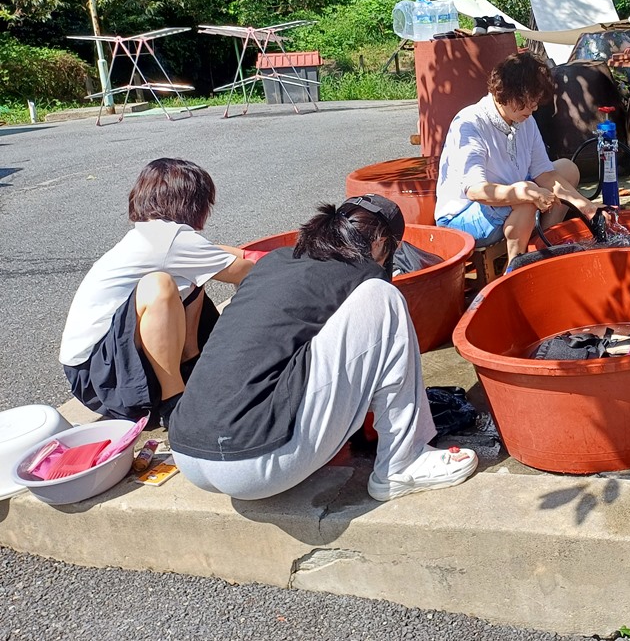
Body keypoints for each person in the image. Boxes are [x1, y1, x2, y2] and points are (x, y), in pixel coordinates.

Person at [169, 194, 477, 501]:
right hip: (253, 463)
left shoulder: (274, 262)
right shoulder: (364, 273)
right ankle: (402, 462)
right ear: (381, 243)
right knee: (383, 297)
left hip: (187, 451)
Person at [59, 158, 257, 430]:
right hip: (99, 376)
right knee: (159, 286)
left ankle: (191, 367)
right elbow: (242, 271)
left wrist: (250, 254)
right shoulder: (169, 239)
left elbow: (215, 254)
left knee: (194, 277)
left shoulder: (158, 235)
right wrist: (276, 260)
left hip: (109, 363)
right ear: (193, 202)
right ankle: (175, 403)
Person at [435, 51, 605, 263]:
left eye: (536, 101)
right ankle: (515, 263)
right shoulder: (471, 123)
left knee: (566, 169)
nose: (534, 108)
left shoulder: (524, 120)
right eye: (528, 100)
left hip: (505, 200)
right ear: (506, 92)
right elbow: (476, 191)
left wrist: (587, 208)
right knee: (527, 194)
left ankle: (541, 246)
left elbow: (545, 174)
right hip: (462, 218)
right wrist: (523, 192)